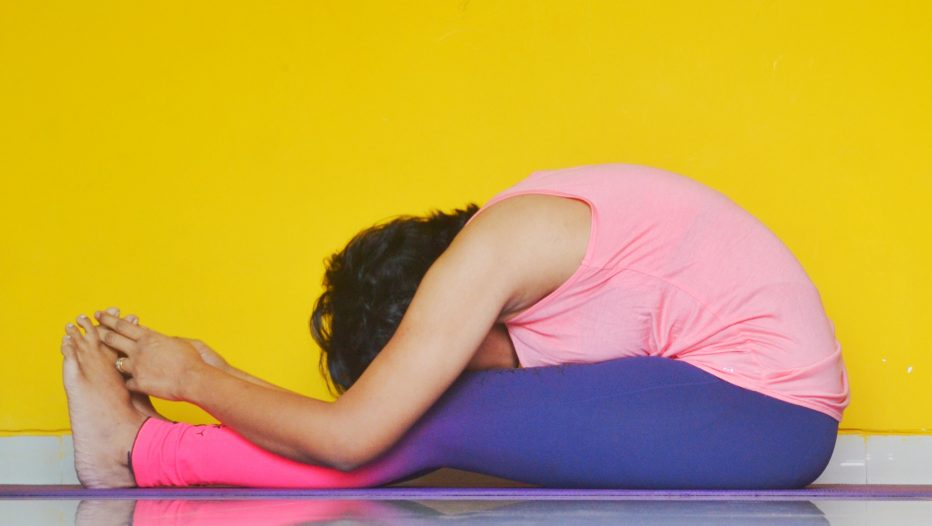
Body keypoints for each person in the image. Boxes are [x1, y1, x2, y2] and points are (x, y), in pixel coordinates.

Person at [61, 163, 850, 489]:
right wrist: (230, 382)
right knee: (412, 416)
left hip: (767, 414)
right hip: (742, 412)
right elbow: (363, 422)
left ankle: (144, 451)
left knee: (425, 419)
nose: (475, 371)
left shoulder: (497, 250)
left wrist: (198, 380)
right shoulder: (511, 245)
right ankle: (154, 447)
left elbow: (353, 437)